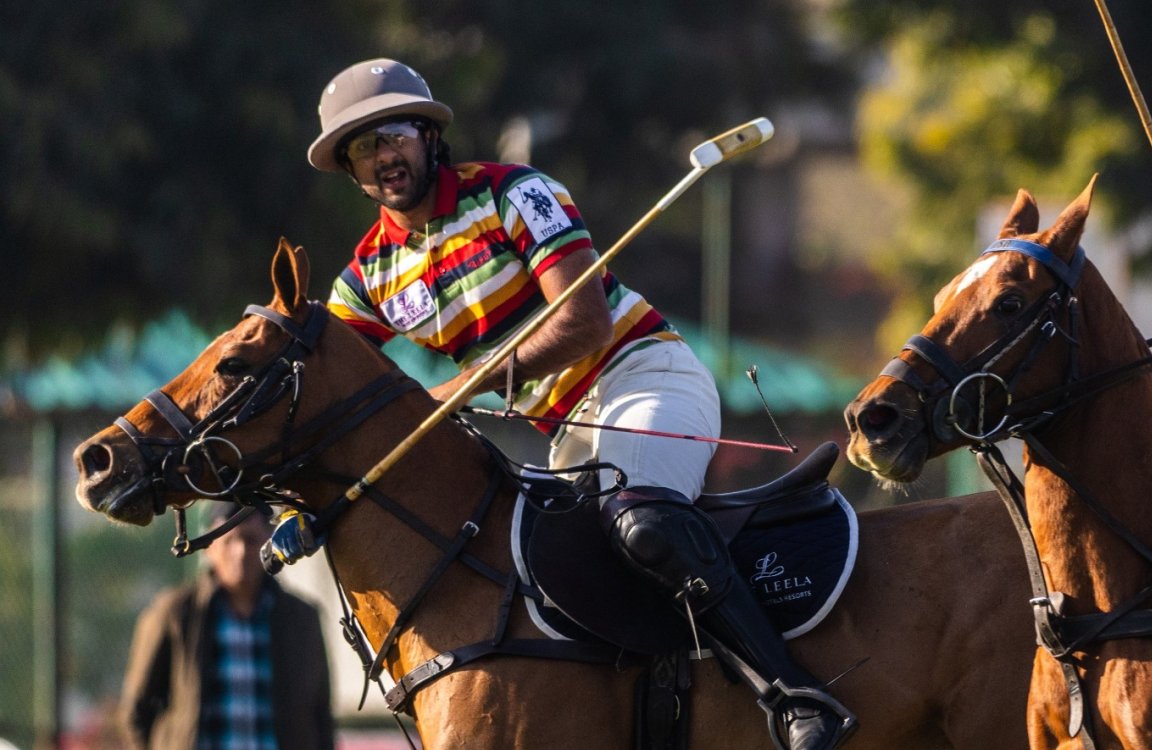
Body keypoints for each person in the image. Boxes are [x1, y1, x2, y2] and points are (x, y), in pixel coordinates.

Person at [269, 57, 855, 750]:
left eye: (393, 133)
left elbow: (584, 325)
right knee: (546, 573)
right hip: (569, 429)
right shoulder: (366, 278)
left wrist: (465, 384)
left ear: (429, 134)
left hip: (643, 375)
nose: (382, 157)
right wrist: (289, 503)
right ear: (350, 171)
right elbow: (338, 396)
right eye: (361, 148)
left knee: (643, 525)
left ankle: (793, 694)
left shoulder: (518, 194)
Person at [120, 503, 334, 750]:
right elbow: (137, 710)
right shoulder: (175, 613)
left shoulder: (301, 618)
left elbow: (320, 714)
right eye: (230, 541)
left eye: (251, 540)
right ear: (210, 549)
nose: (240, 552)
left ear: (270, 545)